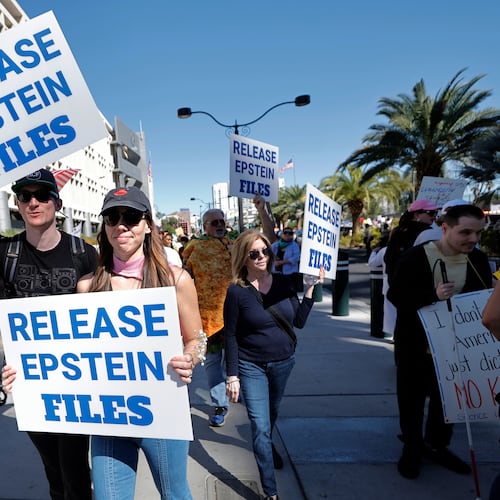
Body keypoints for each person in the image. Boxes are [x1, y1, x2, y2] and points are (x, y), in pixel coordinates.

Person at [78, 186, 205, 499]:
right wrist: (26, 373)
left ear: (148, 224)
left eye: (131, 216)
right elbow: (73, 355)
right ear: (104, 226)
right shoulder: (88, 287)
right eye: (112, 217)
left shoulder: (176, 280)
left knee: (175, 494)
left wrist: (189, 358)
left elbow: (197, 338)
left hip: (161, 410)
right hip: (109, 416)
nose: (121, 224)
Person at [0, 168, 98, 500]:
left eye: (42, 195)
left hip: (76, 382)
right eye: (25, 196)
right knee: (53, 470)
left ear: (56, 202)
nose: (33, 202)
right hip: (29, 385)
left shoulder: (84, 254)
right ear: (17, 203)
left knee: (73, 470)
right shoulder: (5, 254)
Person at [388, 204, 492, 480]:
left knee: (448, 401)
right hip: (416, 347)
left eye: (478, 233)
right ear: (445, 228)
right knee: (411, 399)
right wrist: (431, 294)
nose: (473, 239)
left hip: (458, 349)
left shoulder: (478, 261)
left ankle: (438, 445)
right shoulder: (416, 257)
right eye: (466, 232)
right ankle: (412, 447)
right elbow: (396, 296)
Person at [223, 229, 324, 500]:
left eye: (265, 251)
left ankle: (267, 445)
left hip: (283, 362)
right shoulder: (236, 291)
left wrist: (311, 287)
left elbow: (299, 321)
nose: (261, 257)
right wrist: (232, 375)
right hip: (251, 365)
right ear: (244, 258)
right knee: (260, 426)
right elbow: (230, 334)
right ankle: (270, 491)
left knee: (271, 415)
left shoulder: (283, 282)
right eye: (254, 253)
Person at [182, 208, 233, 426]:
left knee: (241, 362)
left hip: (236, 315)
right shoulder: (195, 248)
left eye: (222, 221)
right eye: (214, 222)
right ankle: (220, 404)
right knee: (212, 363)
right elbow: (183, 278)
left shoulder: (235, 244)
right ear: (205, 226)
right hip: (208, 319)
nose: (219, 225)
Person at [384, 199, 438, 287]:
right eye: (430, 212)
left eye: (436, 213)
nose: (434, 216)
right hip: (417, 285)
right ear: (416, 215)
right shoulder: (428, 232)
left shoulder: (397, 230)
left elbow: (387, 257)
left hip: (395, 284)